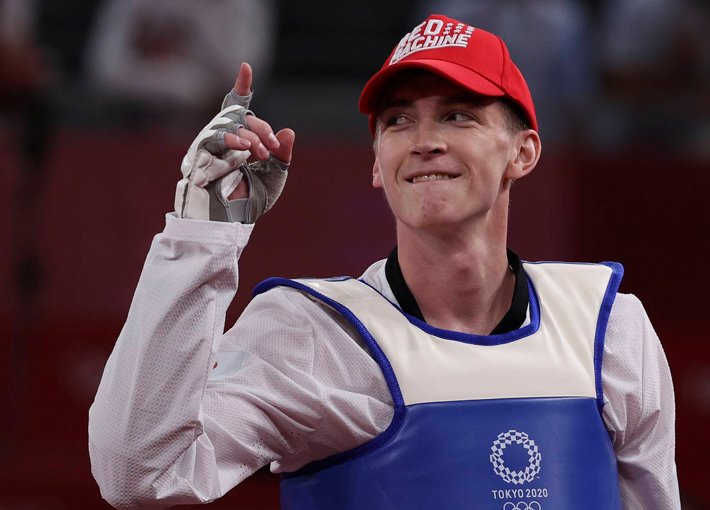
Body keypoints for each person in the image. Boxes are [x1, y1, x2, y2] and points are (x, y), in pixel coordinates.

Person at [88, 14, 680, 510]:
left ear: (522, 153)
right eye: (398, 120)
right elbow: (139, 475)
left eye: (458, 115)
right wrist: (199, 238)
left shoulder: (609, 328)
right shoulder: (315, 334)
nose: (424, 140)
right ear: (377, 163)